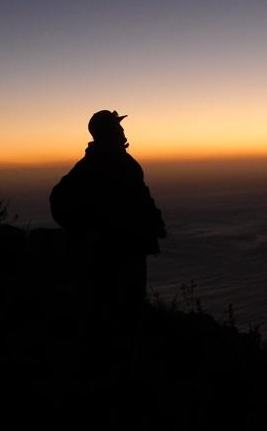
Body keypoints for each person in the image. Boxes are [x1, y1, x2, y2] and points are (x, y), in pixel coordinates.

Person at [50, 110, 166, 371]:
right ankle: (111, 373)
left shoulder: (119, 162)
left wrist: (154, 221)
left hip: (128, 251)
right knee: (115, 316)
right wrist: (89, 230)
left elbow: (141, 197)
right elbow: (60, 201)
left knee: (125, 314)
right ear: (107, 133)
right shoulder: (95, 166)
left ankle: (116, 367)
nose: (124, 132)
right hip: (112, 256)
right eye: (118, 128)